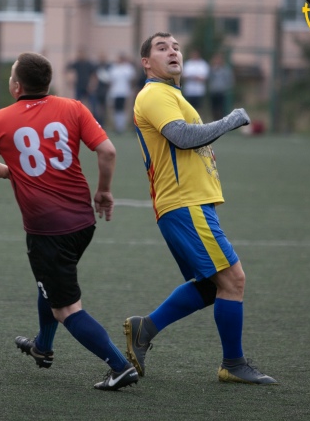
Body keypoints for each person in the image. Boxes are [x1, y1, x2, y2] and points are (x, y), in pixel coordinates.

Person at [0, 52, 138, 391]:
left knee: (66, 308)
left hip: (48, 230)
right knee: (47, 284)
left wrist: (9, 172)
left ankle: (120, 367)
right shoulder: (73, 107)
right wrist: (103, 191)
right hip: (83, 222)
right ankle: (43, 347)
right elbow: (107, 151)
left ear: (16, 86)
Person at [125, 32, 277, 385]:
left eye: (176, 47)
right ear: (146, 63)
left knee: (211, 286)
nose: (173, 51)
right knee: (233, 279)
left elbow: (188, 142)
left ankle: (145, 329)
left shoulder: (173, 94)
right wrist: (231, 119)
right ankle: (233, 364)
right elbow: (181, 136)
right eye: (162, 48)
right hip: (184, 203)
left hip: (191, 202)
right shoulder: (155, 94)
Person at [108, 52, 136, 134]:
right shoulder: (114, 68)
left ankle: (122, 126)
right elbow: (110, 80)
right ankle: (117, 126)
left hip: (125, 92)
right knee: (116, 109)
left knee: (123, 109)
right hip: (115, 92)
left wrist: (131, 90)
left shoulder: (128, 68)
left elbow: (132, 80)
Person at [181, 49, 209, 114]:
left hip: (199, 91)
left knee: (199, 108)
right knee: (189, 108)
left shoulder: (202, 64)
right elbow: (183, 76)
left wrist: (196, 78)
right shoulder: (188, 64)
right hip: (189, 91)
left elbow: (204, 77)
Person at [209, 52, 235, 121]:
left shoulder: (225, 70)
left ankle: (222, 121)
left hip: (222, 92)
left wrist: (226, 87)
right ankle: (214, 121)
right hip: (214, 91)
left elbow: (229, 80)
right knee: (214, 108)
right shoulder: (212, 69)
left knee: (222, 108)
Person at [93, 52, 111, 127]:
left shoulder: (109, 66)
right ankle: (98, 122)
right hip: (98, 90)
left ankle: (104, 123)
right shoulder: (96, 67)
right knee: (97, 107)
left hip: (106, 90)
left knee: (104, 107)